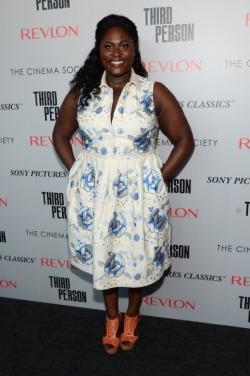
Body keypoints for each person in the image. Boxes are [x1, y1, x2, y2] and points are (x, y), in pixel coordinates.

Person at [52, 14, 194, 354]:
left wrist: (156, 180)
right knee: (106, 255)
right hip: (96, 194)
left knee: (138, 256)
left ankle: (133, 315)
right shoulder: (83, 93)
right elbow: (60, 135)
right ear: (99, 50)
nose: (117, 53)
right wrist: (78, 174)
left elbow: (185, 140)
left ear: (135, 51)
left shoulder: (153, 91)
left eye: (124, 45)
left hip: (139, 195)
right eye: (109, 46)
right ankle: (111, 318)